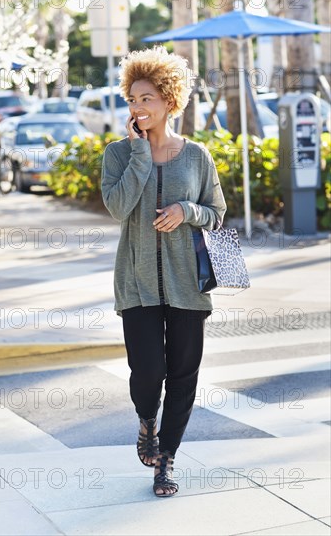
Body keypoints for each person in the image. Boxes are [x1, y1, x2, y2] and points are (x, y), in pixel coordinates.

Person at [101, 46, 226, 497]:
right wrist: (138, 153)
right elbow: (118, 207)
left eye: (147, 98)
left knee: (184, 375)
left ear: (169, 101)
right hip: (135, 285)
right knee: (148, 371)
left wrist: (185, 209)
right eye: (133, 99)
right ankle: (146, 422)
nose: (137, 107)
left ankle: (166, 460)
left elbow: (217, 212)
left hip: (187, 286)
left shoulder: (196, 156)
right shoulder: (118, 154)